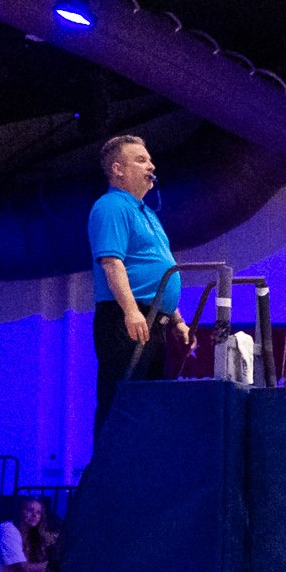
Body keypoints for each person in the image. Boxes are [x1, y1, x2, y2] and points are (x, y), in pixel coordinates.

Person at [88, 135, 193, 433]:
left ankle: (142, 463)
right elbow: (112, 262)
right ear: (118, 169)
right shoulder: (111, 207)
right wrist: (131, 312)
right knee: (123, 403)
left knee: (150, 406)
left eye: (150, 160)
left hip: (154, 319)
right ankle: (110, 463)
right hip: (126, 319)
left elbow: (160, 270)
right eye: (141, 160)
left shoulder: (146, 213)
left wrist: (177, 320)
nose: (151, 166)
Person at [0, 496, 51, 572]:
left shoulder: (29, 534)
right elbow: (23, 569)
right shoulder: (8, 530)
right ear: (20, 511)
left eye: (39, 512)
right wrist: (48, 564)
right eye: (30, 510)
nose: (34, 515)